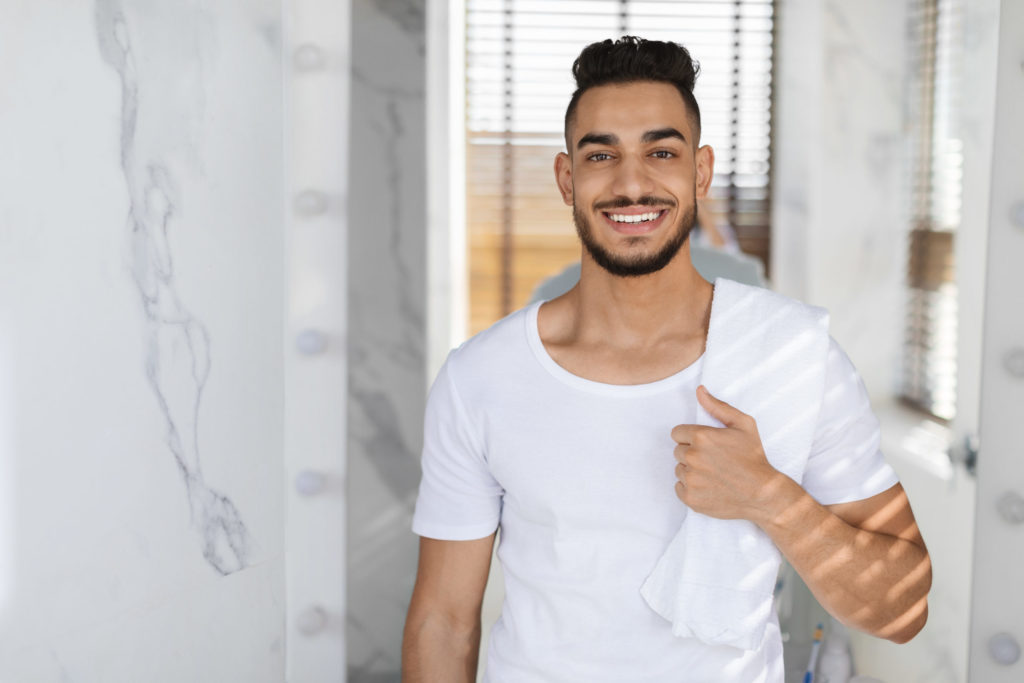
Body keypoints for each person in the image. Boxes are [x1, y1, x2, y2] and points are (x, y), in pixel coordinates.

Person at [402, 36, 931, 682]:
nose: (632, 183)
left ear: (700, 172)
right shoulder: (479, 379)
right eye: (601, 155)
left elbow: (902, 608)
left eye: (661, 152)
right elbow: (443, 623)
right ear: (567, 177)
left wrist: (770, 497)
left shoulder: (793, 356)